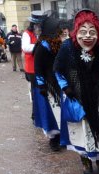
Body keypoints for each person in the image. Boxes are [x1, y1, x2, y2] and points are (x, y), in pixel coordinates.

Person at [54, 9, 99, 174]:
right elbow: (58, 69)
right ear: (76, 32)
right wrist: (65, 87)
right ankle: (86, 160)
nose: (87, 36)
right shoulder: (67, 47)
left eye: (92, 32)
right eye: (83, 32)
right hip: (76, 95)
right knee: (83, 130)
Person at [34, 15, 63, 152]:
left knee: (60, 112)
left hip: (58, 83)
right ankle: (54, 140)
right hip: (47, 86)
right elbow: (38, 67)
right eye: (57, 28)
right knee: (51, 114)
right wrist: (42, 85)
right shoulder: (42, 46)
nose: (59, 30)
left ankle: (61, 136)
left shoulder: (57, 43)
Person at [23, 11, 45, 121]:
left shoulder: (43, 33)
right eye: (36, 24)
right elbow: (25, 47)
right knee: (34, 91)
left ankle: (42, 112)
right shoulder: (27, 33)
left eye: (39, 24)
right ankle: (35, 114)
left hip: (42, 67)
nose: (38, 27)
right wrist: (39, 46)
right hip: (31, 68)